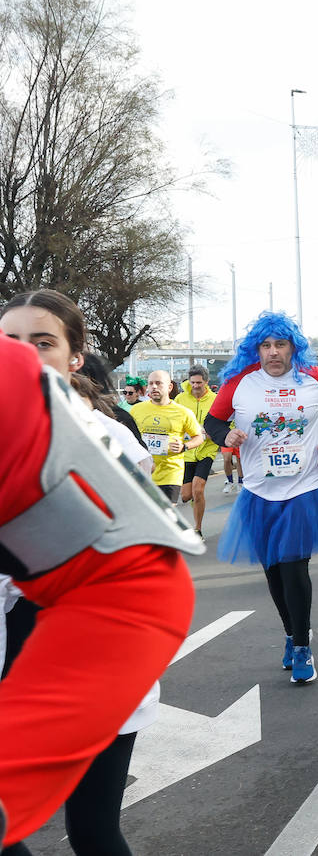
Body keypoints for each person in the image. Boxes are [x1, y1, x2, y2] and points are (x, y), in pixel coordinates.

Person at [0, 330, 198, 851]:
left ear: (74, 358)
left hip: (90, 663)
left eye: (41, 341)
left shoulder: (105, 443)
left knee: (91, 829)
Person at [203, 311, 318, 684]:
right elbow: (214, 421)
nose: (272, 353)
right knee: (273, 570)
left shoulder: (315, 378)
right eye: (265, 346)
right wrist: (225, 436)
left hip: (304, 487)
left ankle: (302, 646)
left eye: (280, 344)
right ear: (256, 350)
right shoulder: (240, 383)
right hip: (258, 490)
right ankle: (291, 632)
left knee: (294, 567)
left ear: (293, 347)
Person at [128, 370, 205, 504]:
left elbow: (199, 437)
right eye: (151, 383)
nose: (154, 387)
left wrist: (184, 446)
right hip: (144, 472)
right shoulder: (136, 410)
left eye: (158, 383)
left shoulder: (183, 412)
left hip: (170, 472)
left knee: (168, 515)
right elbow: (128, 436)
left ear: (169, 387)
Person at [175, 365, 219, 535]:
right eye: (192, 382)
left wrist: (213, 433)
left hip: (206, 450)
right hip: (186, 451)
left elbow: (226, 421)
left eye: (199, 383)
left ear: (206, 382)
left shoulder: (215, 399)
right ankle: (195, 500)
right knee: (186, 495)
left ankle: (198, 529)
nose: (195, 386)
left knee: (198, 489)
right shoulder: (180, 399)